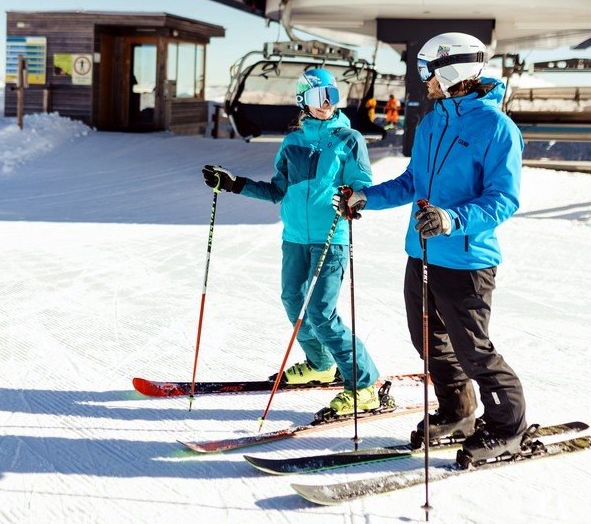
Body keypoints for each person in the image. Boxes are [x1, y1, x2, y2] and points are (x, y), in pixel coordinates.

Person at [333, 32, 528, 465]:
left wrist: (451, 219)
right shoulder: (432, 122)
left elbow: (503, 199)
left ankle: (507, 428)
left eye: (429, 71)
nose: (424, 80)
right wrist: (364, 197)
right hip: (421, 253)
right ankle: (458, 412)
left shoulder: (497, 128)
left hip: (466, 260)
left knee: (473, 350)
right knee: (429, 341)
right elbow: (412, 182)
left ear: (453, 71)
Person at [202, 68, 381, 418]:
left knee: (321, 314)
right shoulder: (292, 143)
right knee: (293, 302)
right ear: (303, 101)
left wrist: (352, 198)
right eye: (318, 97)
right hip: (295, 238)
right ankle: (320, 364)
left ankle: (364, 385)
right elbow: (277, 191)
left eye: (332, 95)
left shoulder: (349, 139)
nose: (326, 103)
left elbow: (362, 186)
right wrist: (235, 184)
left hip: (330, 238)